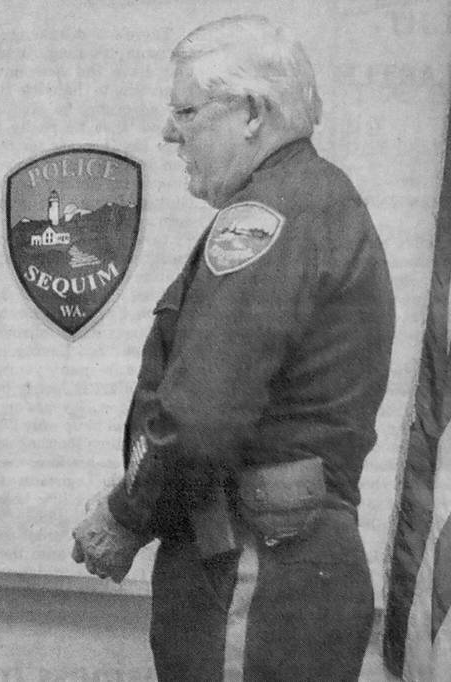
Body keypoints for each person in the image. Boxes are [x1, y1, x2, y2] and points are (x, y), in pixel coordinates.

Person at [71, 15, 395, 681]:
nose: (169, 132)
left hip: (252, 570)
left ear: (250, 112)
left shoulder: (265, 219)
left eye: (185, 111)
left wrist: (124, 515)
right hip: (288, 563)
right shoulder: (314, 203)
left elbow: (198, 424)